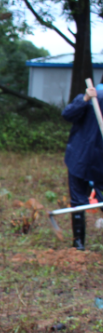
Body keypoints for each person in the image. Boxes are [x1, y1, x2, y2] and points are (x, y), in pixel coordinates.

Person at [62, 82, 103, 250]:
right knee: (79, 199)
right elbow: (68, 114)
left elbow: (67, 115)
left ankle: (78, 244)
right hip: (82, 156)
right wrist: (85, 99)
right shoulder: (92, 95)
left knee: (82, 199)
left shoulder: (94, 95)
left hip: (93, 160)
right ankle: (78, 244)